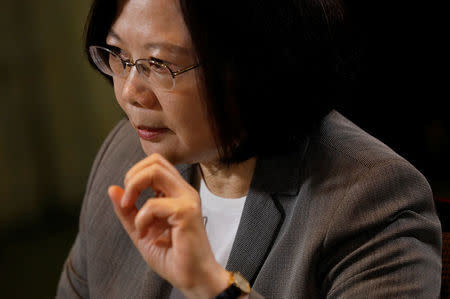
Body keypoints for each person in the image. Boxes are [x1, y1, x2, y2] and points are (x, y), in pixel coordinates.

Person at [57, 0, 442, 298]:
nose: (130, 93)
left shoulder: (371, 199)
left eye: (159, 63)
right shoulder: (124, 153)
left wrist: (212, 285)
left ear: (251, 65)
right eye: (120, 57)